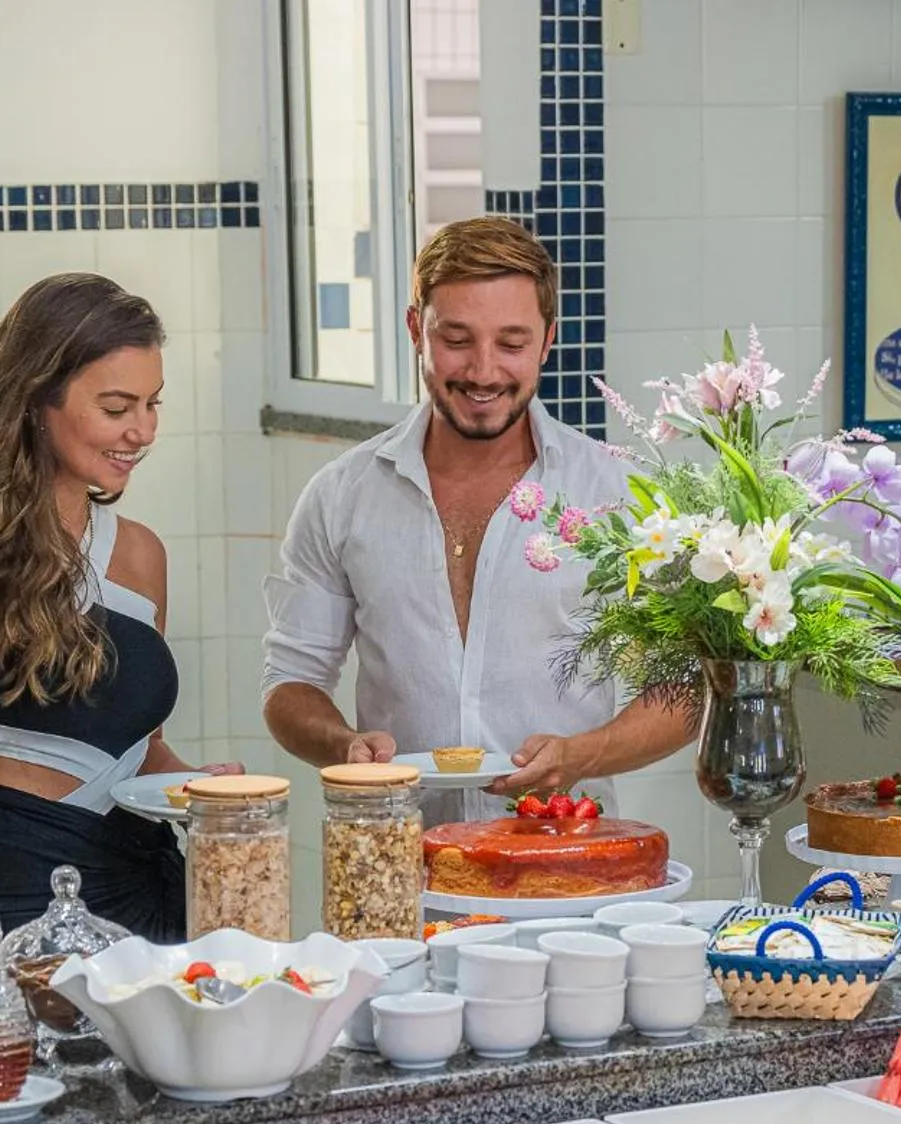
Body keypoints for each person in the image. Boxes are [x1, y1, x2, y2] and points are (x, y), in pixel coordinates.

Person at [263, 217, 694, 819]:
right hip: (397, 867)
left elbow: (681, 692)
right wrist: (344, 745)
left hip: (566, 858)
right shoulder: (341, 496)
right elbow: (291, 682)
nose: (484, 371)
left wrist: (583, 755)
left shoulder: (619, 496)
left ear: (547, 340)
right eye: (457, 340)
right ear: (416, 329)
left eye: (512, 344)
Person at [0, 274, 240, 941]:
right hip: (5, 908)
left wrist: (201, 788)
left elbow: (135, 749)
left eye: (153, 404)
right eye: (118, 406)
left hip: (154, 899)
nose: (143, 431)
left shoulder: (142, 555)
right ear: (39, 399)